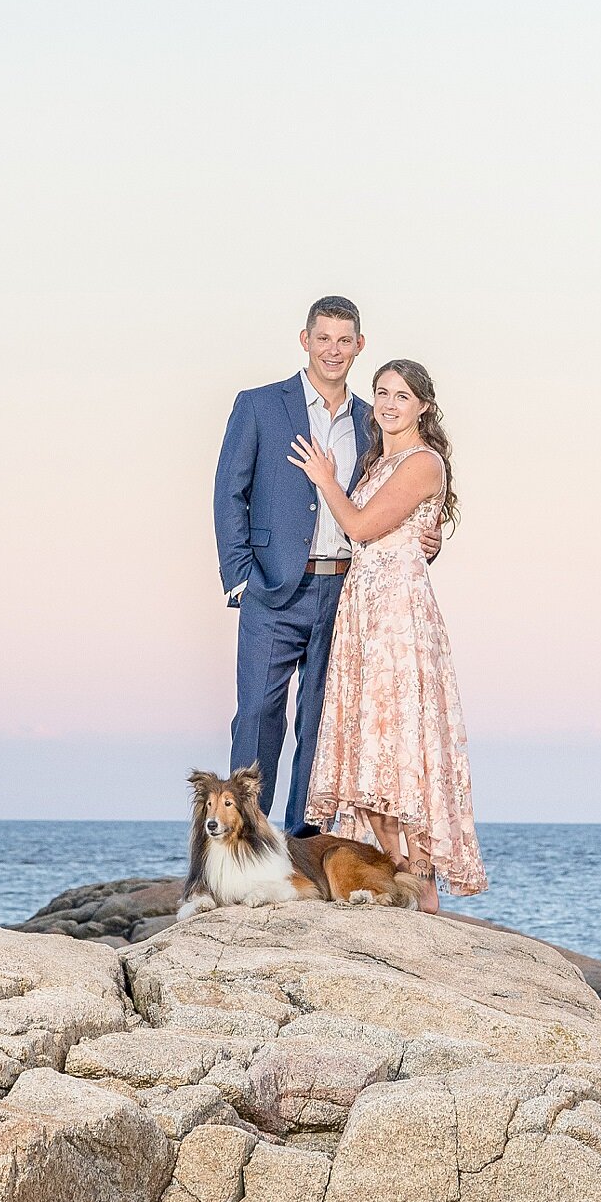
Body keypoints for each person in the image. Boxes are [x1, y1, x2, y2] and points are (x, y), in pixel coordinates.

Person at [215, 297, 417, 832]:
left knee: (323, 723)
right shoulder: (258, 405)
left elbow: (392, 494)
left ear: (360, 346)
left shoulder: (373, 422)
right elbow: (228, 492)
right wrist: (241, 577)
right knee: (256, 717)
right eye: (323, 338)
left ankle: (303, 844)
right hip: (272, 590)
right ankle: (241, 841)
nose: (333, 350)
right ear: (304, 340)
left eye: (344, 340)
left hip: (345, 592)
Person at [295, 357, 486, 912]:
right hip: (364, 611)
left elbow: (359, 526)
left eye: (402, 395)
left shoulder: (423, 462)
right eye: (381, 392)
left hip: (399, 618)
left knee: (402, 747)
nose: (388, 403)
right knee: (367, 754)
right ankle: (400, 873)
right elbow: (395, 529)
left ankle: (422, 884)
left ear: (423, 405)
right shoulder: (381, 458)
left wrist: (325, 479)